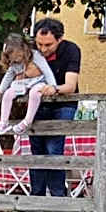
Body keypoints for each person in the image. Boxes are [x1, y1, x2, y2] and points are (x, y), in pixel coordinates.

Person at [31, 17, 81, 196]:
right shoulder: (31, 51)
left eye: (48, 45)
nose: (43, 49)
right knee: (36, 150)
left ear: (60, 39)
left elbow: (70, 86)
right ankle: (36, 196)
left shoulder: (71, 50)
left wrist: (54, 89)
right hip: (37, 104)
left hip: (63, 103)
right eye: (39, 44)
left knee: (53, 149)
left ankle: (58, 196)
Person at [0, 33, 55, 135]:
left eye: (19, 55)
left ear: (24, 49)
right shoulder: (13, 63)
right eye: (13, 58)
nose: (17, 59)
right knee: (8, 94)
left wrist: (52, 85)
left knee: (35, 93)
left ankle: (27, 121)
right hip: (23, 83)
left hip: (39, 81)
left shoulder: (35, 55)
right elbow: (8, 76)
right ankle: (3, 122)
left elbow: (47, 71)